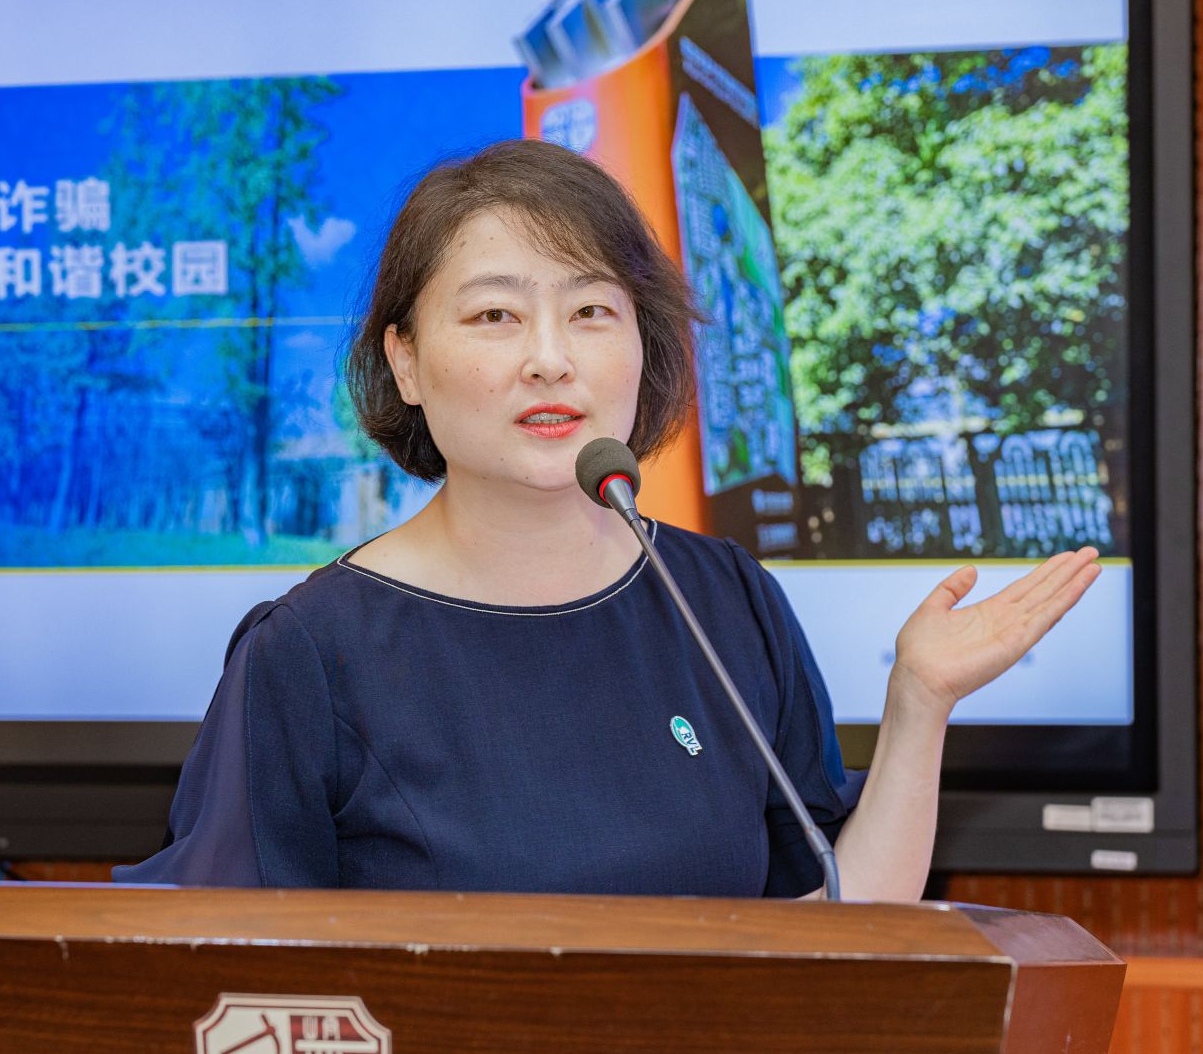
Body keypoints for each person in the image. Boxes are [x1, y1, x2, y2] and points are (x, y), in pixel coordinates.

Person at [116, 139, 1098, 901]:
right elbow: (225, 973)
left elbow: (835, 919)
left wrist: (919, 704)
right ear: (404, 360)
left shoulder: (723, 600)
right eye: (495, 316)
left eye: (590, 312)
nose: (550, 359)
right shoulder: (310, 653)